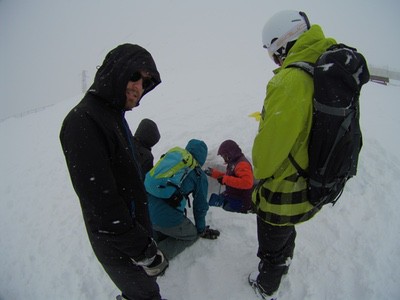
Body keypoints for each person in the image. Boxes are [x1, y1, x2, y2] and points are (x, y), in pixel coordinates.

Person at [60, 43, 168, 300]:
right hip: (117, 243)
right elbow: (102, 205)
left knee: (142, 291)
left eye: (145, 82)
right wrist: (144, 250)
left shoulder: (113, 117)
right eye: (134, 76)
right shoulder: (83, 121)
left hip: (130, 235)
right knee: (147, 295)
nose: (138, 86)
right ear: (115, 71)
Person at [248, 11, 337, 299]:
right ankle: (284, 261)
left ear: (285, 43)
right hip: (313, 179)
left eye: (275, 55)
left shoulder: (290, 81)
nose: (277, 62)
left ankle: (267, 285)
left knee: (272, 237)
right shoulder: (326, 68)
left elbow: (267, 156)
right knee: (286, 231)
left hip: (285, 189)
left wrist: (257, 172)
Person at [147, 139, 220, 260]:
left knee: (159, 228)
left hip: (146, 210)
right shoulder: (198, 174)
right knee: (191, 234)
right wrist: (201, 230)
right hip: (165, 217)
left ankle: (150, 243)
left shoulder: (171, 162)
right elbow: (200, 207)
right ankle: (155, 259)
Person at [205, 139, 254, 213]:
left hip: (241, 201)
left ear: (230, 153)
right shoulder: (233, 162)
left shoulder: (242, 164)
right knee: (213, 200)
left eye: (224, 156)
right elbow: (230, 177)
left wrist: (225, 180)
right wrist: (214, 174)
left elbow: (247, 183)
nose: (223, 158)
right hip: (232, 195)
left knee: (216, 210)